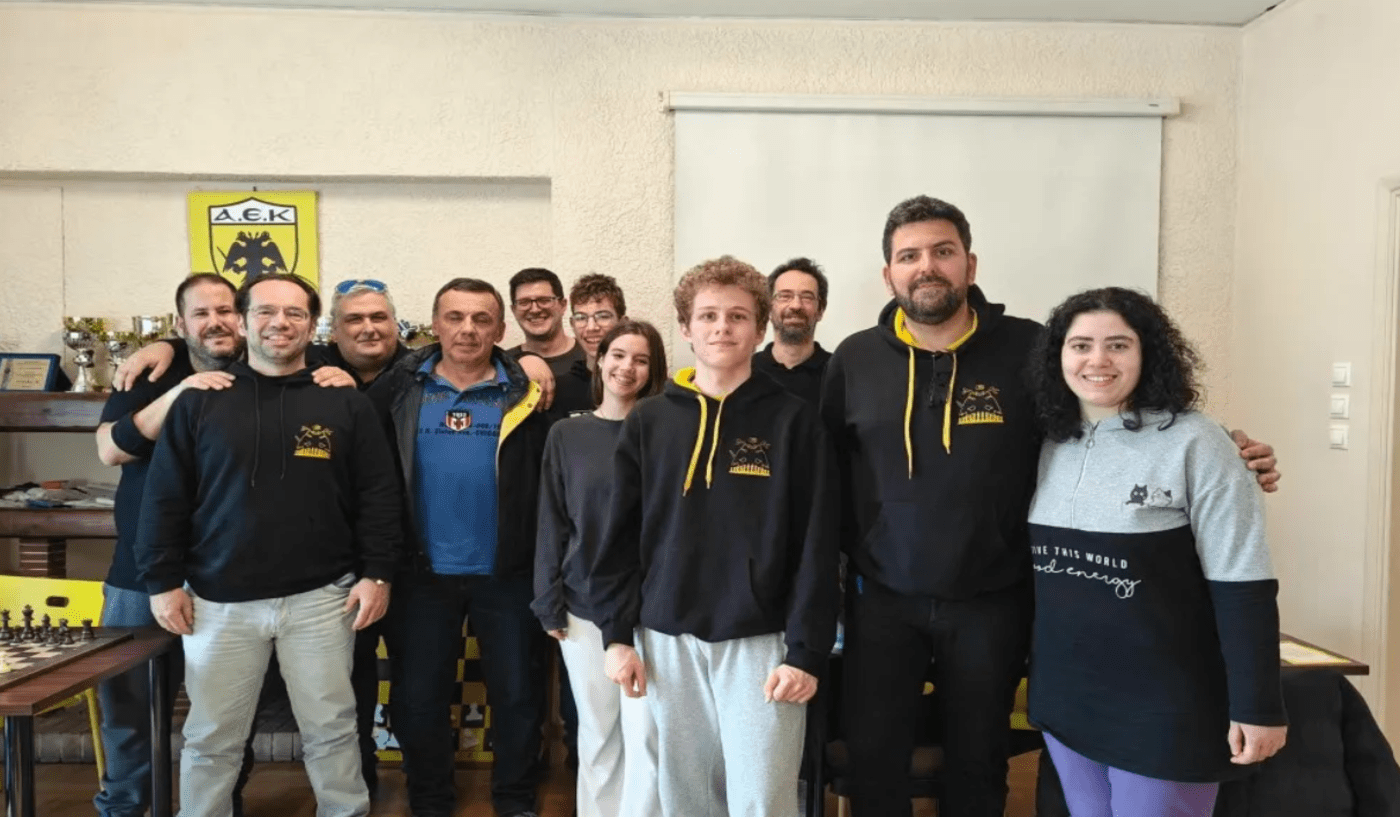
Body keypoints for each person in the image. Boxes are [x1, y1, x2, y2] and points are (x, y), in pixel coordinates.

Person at [820, 195, 1283, 817]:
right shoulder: (854, 358)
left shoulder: (1030, 347)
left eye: (943, 251)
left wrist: (1224, 448)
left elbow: (1104, 417)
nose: (926, 266)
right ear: (889, 275)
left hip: (995, 599)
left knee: (979, 758)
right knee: (875, 760)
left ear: (970, 265)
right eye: (910, 256)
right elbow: (827, 468)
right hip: (882, 596)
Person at [135, 273, 401, 817]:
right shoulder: (200, 401)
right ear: (241, 320)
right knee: (212, 737)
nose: (280, 323)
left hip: (321, 600)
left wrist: (378, 573)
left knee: (333, 730)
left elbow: (378, 496)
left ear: (312, 324)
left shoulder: (344, 401)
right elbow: (164, 499)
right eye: (265, 312)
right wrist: (161, 582)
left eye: (295, 313)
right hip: (218, 602)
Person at [591, 256, 840, 817]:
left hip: (763, 640)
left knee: (762, 799)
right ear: (685, 327)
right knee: (685, 800)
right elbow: (619, 537)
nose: (722, 327)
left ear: (759, 328)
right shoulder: (650, 421)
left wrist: (806, 651)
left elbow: (817, 544)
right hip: (666, 638)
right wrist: (617, 635)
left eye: (737, 316)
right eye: (707, 316)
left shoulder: (795, 422)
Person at [1024, 287, 1287, 817]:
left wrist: (1259, 704)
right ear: (1059, 357)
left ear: (1149, 353)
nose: (1097, 360)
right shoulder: (1049, 442)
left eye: (1118, 345)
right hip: (1068, 699)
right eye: (1081, 346)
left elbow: (1244, 583)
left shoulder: (1199, 443)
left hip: (1165, 707)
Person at [367, 278, 550, 817]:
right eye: (455, 317)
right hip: (420, 573)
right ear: (434, 323)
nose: (468, 329)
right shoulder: (398, 390)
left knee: (517, 696)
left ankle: (515, 800)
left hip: (508, 572)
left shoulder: (528, 394)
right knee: (419, 698)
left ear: (501, 329)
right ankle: (430, 800)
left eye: (481, 319)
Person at [92, 273, 241, 817]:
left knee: (226, 713)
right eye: (201, 314)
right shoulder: (151, 372)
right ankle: (125, 807)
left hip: (225, 575)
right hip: (138, 572)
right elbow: (111, 450)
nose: (215, 322)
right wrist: (180, 388)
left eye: (226, 310)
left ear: (244, 316)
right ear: (181, 323)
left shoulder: (262, 368)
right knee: (126, 706)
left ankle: (219, 806)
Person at [532, 320, 665, 817]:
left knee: (648, 733)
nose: (627, 367)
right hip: (584, 606)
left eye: (641, 359)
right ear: (600, 360)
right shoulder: (568, 434)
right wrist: (548, 600)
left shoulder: (667, 433)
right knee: (599, 732)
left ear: (654, 371)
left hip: (655, 609)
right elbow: (552, 519)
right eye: (619, 355)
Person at [752, 257, 831, 406]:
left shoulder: (839, 373)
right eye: (785, 296)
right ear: (769, 308)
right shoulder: (745, 372)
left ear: (820, 310)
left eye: (807, 297)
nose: (796, 305)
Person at [567, 273, 626, 370]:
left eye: (603, 316)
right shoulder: (560, 376)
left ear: (623, 323)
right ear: (572, 325)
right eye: (581, 318)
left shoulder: (643, 376)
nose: (591, 327)